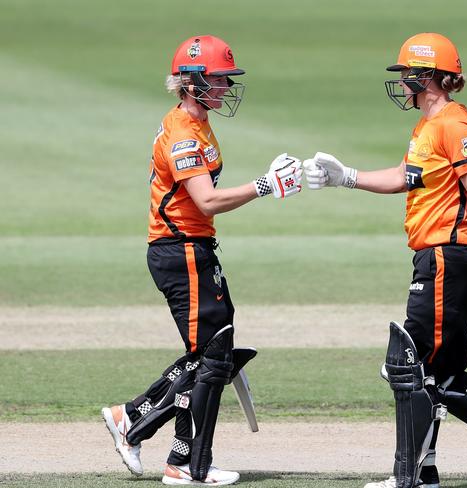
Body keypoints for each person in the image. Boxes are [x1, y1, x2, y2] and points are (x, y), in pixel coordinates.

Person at [304, 33, 467, 488]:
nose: (401, 83)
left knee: (408, 366)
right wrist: (347, 177)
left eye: (405, 75)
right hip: (438, 257)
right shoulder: (427, 126)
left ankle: (412, 476)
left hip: (450, 257)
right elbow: (406, 177)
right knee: (439, 373)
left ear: (426, 76)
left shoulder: (457, 125)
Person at [101, 35, 302, 486]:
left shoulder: (198, 123)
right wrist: (266, 185)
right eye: (218, 79)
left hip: (194, 249)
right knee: (213, 356)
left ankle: (135, 421)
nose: (226, 87)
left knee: (211, 352)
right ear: (191, 83)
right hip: (180, 251)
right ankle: (183, 461)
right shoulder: (182, 133)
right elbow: (207, 201)